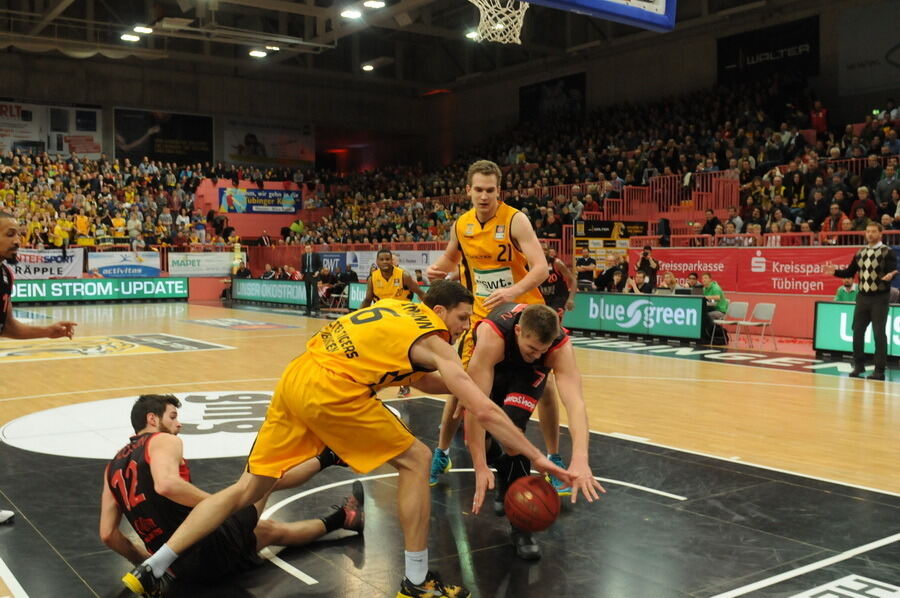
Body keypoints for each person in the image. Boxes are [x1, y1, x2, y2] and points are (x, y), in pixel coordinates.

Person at [123, 281, 576, 598]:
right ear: (439, 311)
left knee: (247, 489)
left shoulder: (397, 312)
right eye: (460, 319)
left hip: (297, 376)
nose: (462, 328)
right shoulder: (434, 335)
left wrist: (476, 387)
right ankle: (416, 582)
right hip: (333, 389)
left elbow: (429, 383)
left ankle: (153, 567)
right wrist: (538, 456)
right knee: (417, 460)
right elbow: (478, 410)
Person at [106, 395, 363, 586]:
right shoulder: (162, 440)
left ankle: (344, 518)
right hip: (206, 544)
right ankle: (330, 456)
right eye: (173, 416)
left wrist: (146, 562)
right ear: (152, 419)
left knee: (269, 530)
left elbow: (108, 535)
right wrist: (218, 507)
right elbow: (167, 484)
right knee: (260, 476)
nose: (178, 424)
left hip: (186, 570)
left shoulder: (112, 467)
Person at [425, 160, 565, 493]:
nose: (484, 196)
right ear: (468, 191)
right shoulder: (462, 224)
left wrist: (512, 291)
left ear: (498, 191)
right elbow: (451, 258)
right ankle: (442, 452)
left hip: (522, 314)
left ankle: (555, 459)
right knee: (461, 387)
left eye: (490, 190)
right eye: (479, 190)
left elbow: (542, 269)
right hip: (482, 320)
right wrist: (439, 270)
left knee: (545, 390)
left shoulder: (516, 220)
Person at [465, 303, 605, 559]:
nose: (537, 355)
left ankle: (521, 528)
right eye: (531, 348)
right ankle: (505, 471)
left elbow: (575, 404)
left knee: (513, 436)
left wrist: (581, 459)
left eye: (543, 350)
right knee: (480, 436)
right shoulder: (492, 336)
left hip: (528, 376)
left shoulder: (558, 348)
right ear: (518, 330)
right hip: (495, 367)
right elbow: (475, 408)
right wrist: (480, 465)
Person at [0, 210, 78, 526]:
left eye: (18, 234)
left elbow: (7, 326)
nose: (18, 240)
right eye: (9, 234)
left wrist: (48, 331)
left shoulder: (6, 275)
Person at [826, 223, 898, 380]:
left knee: (879, 334)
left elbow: (894, 270)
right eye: (868, 231)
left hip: (880, 298)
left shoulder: (887, 252)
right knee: (857, 331)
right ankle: (858, 366)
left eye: (873, 231)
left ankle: (879, 370)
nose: (870, 234)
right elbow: (850, 272)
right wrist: (835, 272)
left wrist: (891, 275)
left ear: (880, 234)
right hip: (863, 297)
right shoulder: (860, 253)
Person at [361, 248, 425, 308]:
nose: (384, 262)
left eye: (387, 259)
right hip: (382, 312)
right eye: (382, 260)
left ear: (391, 261)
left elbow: (420, 292)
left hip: (401, 311)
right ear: (377, 262)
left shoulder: (404, 275)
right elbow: (367, 300)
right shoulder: (372, 278)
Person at [538, 241, 576, 319]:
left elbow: (573, 280)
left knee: (552, 321)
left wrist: (571, 298)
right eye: (540, 249)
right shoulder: (532, 265)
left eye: (545, 249)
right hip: (542, 299)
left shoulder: (556, 263)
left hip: (559, 298)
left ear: (548, 251)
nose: (543, 251)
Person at [300, 244, 322, 316]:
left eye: (309, 248)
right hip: (306, 275)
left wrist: (317, 272)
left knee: (315, 293)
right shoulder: (303, 256)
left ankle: (317, 310)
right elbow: (303, 266)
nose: (308, 250)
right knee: (308, 293)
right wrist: (302, 273)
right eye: (306, 249)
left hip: (314, 275)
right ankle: (308, 310)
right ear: (305, 249)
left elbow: (320, 266)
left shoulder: (316, 255)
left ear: (311, 249)